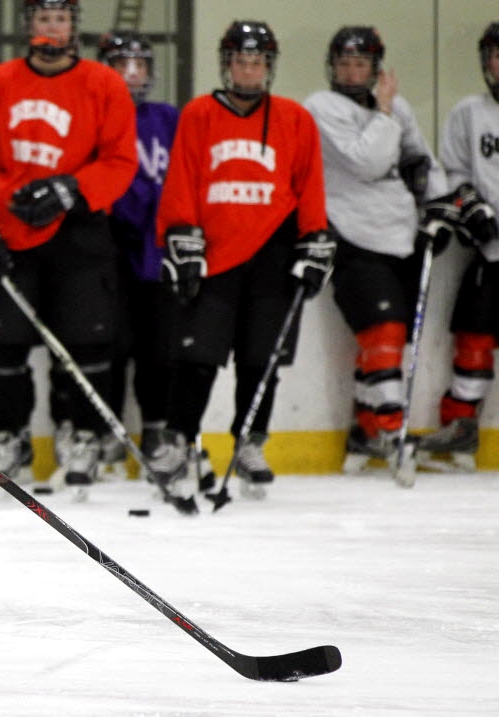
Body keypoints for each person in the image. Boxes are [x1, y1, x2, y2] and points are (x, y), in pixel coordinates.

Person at [0, 0, 137, 498]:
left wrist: (69, 189)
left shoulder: (104, 84)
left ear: (73, 28)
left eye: (59, 19)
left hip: (78, 233)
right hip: (8, 234)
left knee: (85, 344)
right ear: (29, 27)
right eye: (42, 18)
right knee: (3, 345)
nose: (50, 27)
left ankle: (83, 439)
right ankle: (10, 440)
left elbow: (121, 160)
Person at [150, 20, 333, 500]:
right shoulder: (199, 114)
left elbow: (309, 184)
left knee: (262, 360)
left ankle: (250, 443)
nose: (249, 70)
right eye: (240, 60)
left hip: (273, 251)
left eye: (257, 61)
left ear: (268, 67)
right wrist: (180, 235)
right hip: (213, 254)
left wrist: (315, 238)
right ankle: (177, 441)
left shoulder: (295, 119)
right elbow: (182, 181)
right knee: (196, 357)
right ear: (226, 64)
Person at [303, 26, 463, 472]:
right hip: (351, 235)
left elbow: (420, 160)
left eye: (361, 65)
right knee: (385, 331)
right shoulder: (321, 107)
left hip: (401, 234)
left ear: (374, 69)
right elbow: (366, 160)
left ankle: (366, 432)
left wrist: (437, 206)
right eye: (345, 64)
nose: (352, 72)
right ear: (331, 67)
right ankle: (392, 429)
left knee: (392, 342)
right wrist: (387, 109)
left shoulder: (399, 110)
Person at [94, 30, 211, 487]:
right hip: (112, 248)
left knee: (159, 348)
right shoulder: (97, 115)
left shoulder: (168, 117)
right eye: (123, 65)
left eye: (140, 65)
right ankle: (100, 432)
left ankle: (158, 431)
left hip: (159, 248)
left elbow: (185, 177)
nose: (133, 75)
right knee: (109, 343)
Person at [416, 22, 499, 470]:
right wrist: (473, 208)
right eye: (497, 55)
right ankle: (462, 429)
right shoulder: (469, 113)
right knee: (473, 335)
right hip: (491, 253)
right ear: (486, 62)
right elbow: (455, 173)